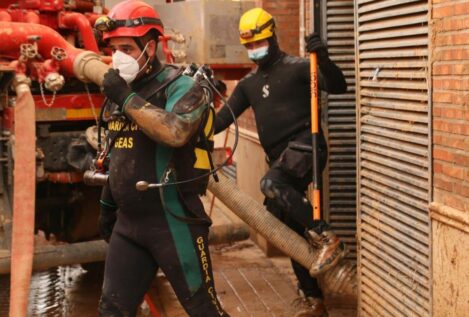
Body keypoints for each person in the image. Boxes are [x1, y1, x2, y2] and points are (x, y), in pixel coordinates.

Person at [95, 1, 228, 316]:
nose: (119, 57)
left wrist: (125, 98)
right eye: (114, 49)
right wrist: (107, 204)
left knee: (204, 310)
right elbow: (119, 150)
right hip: (129, 226)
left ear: (151, 46)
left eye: (127, 47)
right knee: (112, 311)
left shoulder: (182, 87)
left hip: (174, 222)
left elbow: (175, 131)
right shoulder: (122, 90)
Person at [214, 8, 347, 317]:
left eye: (258, 42)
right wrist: (196, 115)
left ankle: (327, 236)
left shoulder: (299, 66)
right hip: (281, 159)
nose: (253, 51)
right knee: (281, 226)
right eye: (248, 46)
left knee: (272, 184)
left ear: (272, 37)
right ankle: (314, 298)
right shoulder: (249, 84)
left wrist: (323, 57)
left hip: (306, 145)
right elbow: (221, 120)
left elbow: (338, 86)